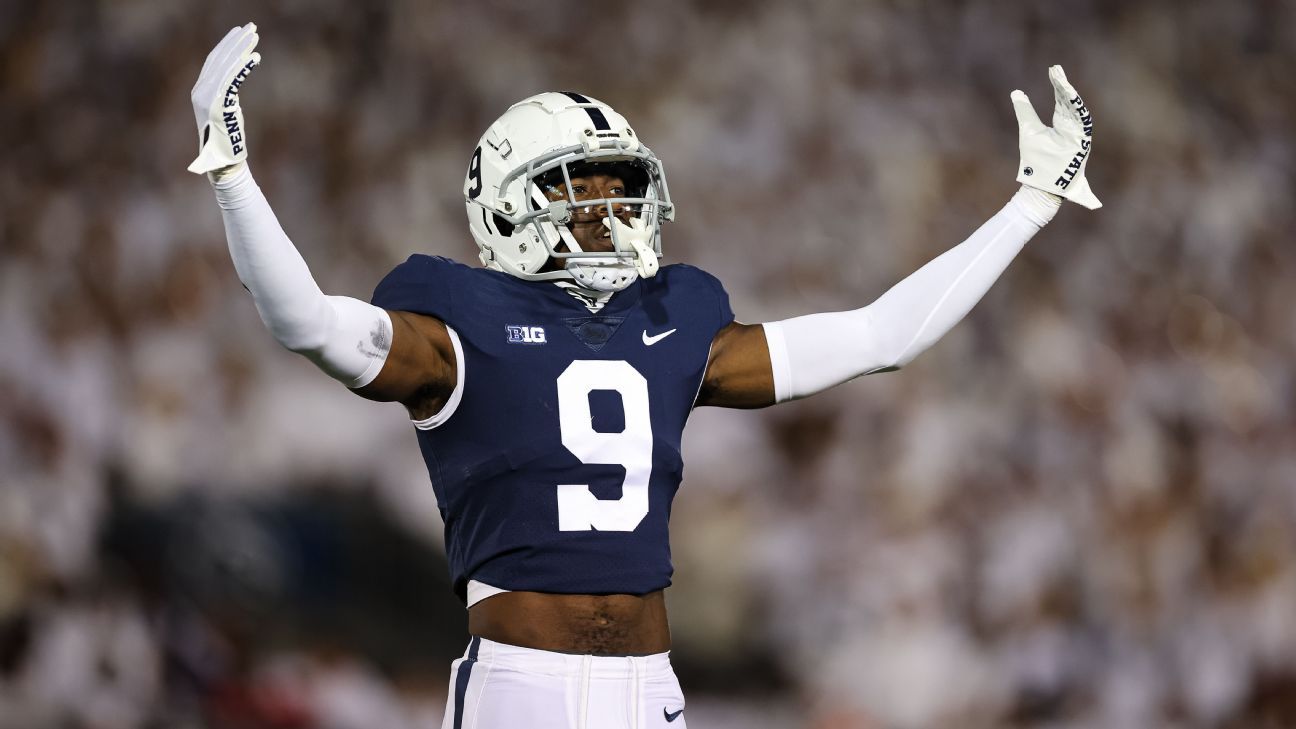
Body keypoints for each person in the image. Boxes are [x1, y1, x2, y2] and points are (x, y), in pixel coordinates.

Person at [187, 22, 1100, 729]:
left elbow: (880, 336)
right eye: (580, 191)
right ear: (509, 206)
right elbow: (302, 319)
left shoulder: (673, 317)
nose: (611, 210)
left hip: (650, 687)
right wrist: (231, 169)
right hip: (521, 684)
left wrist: (1029, 204)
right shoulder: (454, 319)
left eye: (619, 185)